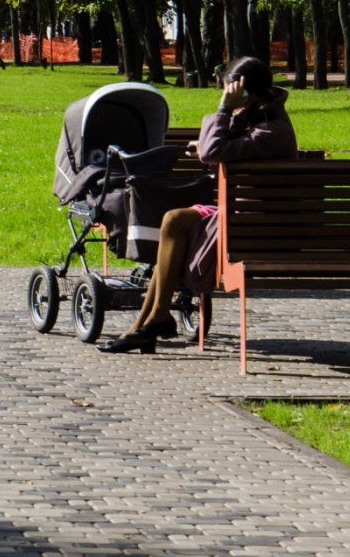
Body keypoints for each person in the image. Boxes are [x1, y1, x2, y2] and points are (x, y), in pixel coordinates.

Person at [98, 55, 298, 354]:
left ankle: (150, 323)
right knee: (174, 220)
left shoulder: (269, 129)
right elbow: (222, 148)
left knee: (175, 223)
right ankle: (150, 322)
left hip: (251, 224)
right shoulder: (268, 120)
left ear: (242, 91)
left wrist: (223, 109)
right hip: (251, 217)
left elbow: (214, 150)